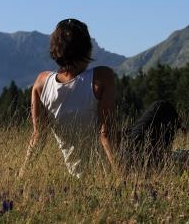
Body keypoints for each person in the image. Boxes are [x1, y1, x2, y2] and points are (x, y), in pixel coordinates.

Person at [18, 19, 179, 178]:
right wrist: (121, 178)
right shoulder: (101, 77)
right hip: (114, 163)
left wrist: (21, 175)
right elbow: (105, 135)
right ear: (87, 49)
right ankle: (168, 161)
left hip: (78, 172)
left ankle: (174, 158)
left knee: (129, 133)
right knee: (162, 108)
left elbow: (38, 135)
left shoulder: (41, 83)